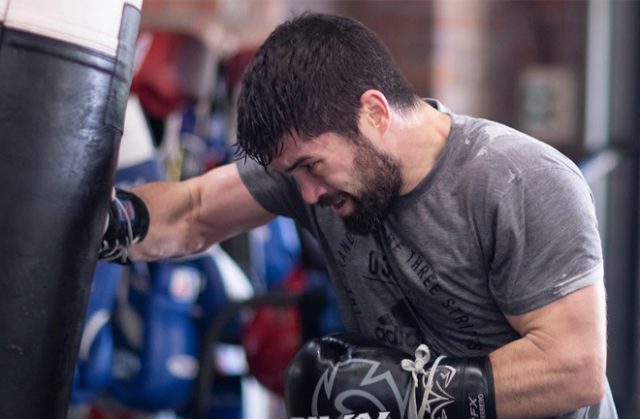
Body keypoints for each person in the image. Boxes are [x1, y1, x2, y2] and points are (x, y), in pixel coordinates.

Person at [101, 13, 617, 419]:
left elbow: (573, 368)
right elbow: (192, 212)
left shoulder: (517, 179)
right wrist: (99, 223)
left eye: (311, 166)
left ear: (374, 112)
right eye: (291, 173)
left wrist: (403, 393)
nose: (304, 194)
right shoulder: (314, 176)